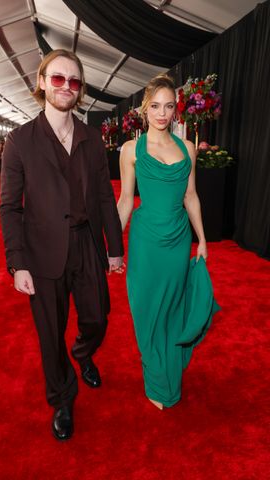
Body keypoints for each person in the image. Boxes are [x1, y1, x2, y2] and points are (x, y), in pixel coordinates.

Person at [0, 49, 124, 440]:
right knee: (50, 333)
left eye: (73, 81)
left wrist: (115, 247)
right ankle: (62, 398)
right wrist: (17, 262)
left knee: (98, 318)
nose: (66, 87)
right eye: (57, 79)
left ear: (80, 89)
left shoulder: (91, 138)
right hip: (40, 252)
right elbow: (9, 207)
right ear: (41, 82)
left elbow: (105, 196)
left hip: (86, 242)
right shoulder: (19, 141)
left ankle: (83, 354)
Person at [117, 73, 220, 410]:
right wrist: (113, 246)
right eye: (155, 106)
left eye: (168, 106)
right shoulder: (131, 150)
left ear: (176, 110)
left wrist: (202, 239)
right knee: (145, 310)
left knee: (172, 309)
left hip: (178, 240)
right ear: (145, 110)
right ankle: (155, 378)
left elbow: (191, 196)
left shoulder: (187, 148)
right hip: (145, 242)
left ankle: (168, 372)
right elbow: (126, 200)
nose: (162, 113)